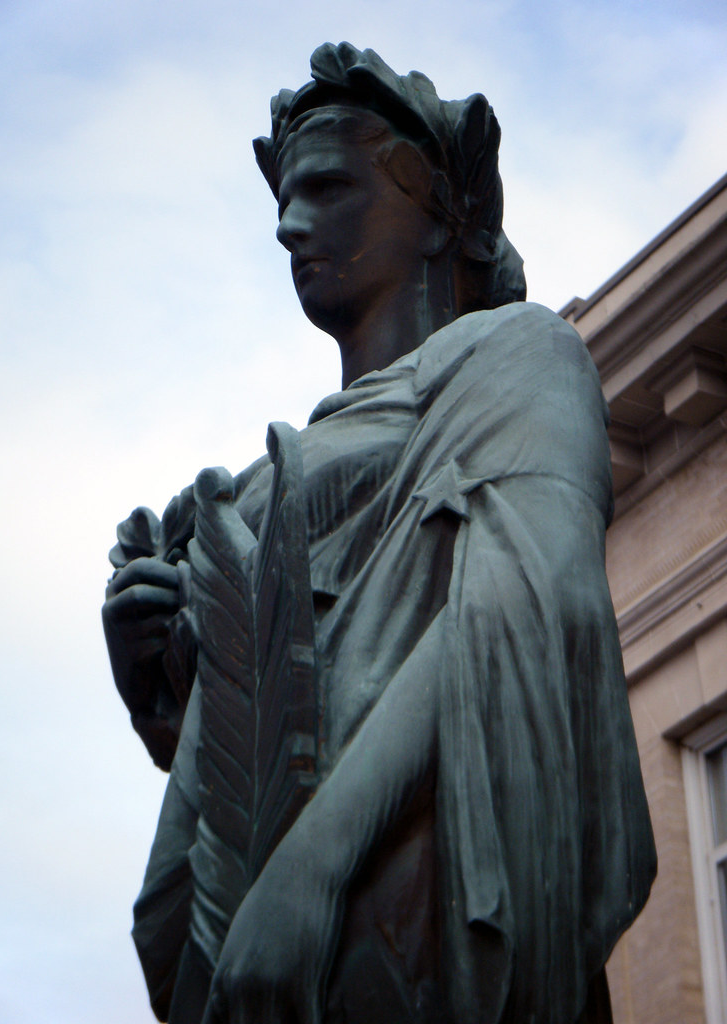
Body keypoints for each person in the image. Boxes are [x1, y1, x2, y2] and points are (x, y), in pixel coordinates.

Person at [103, 43, 656, 1024]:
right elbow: (270, 741)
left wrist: (314, 869)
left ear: (442, 211)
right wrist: (158, 674)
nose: (290, 224)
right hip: (258, 959)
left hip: (401, 929)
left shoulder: (519, 355)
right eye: (285, 199)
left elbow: (520, 603)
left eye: (329, 187)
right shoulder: (274, 472)